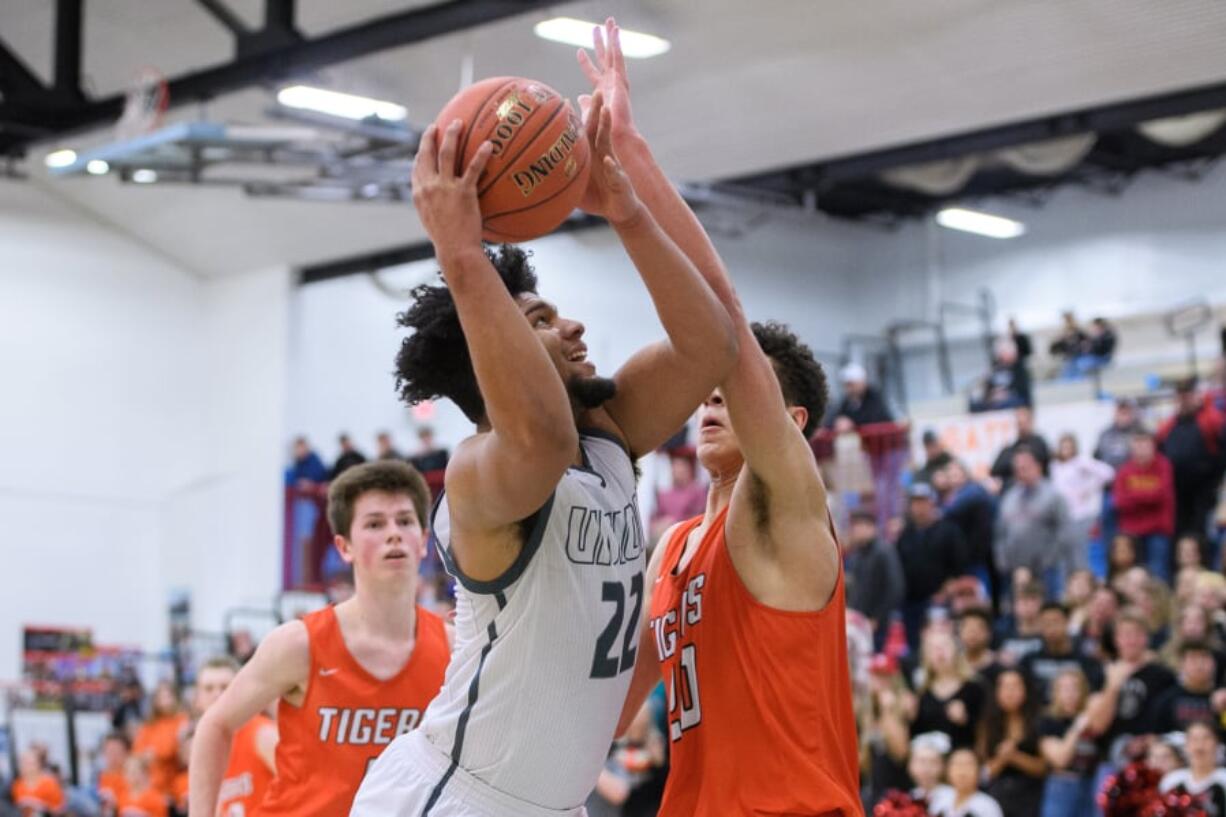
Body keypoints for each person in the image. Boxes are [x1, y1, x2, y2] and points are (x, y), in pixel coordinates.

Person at [352, 57, 740, 815]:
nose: (574, 325)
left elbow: (711, 347)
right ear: (494, 354)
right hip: (452, 799)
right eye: (541, 321)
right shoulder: (477, 477)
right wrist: (462, 258)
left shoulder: (606, 439)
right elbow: (536, 435)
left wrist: (625, 207)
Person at [578, 20, 858, 817]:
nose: (710, 397)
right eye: (708, 392)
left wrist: (630, 164)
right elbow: (602, 714)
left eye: (733, 391)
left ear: (790, 419)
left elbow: (724, 323)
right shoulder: (671, 547)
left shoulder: (783, 508)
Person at [191, 461, 450, 817]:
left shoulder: (453, 648)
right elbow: (215, 724)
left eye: (405, 521)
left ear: (423, 541)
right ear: (344, 547)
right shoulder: (299, 644)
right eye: (375, 523)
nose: (394, 533)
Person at [192, 656, 276, 817]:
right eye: (209, 688)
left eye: (225, 686)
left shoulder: (262, 733)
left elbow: (305, 788)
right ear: (197, 699)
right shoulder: (204, 748)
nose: (217, 694)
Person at [897, 482, 972, 651]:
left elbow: (960, 565)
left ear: (932, 503)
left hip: (939, 600)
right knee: (914, 644)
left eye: (923, 502)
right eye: (915, 502)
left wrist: (948, 589)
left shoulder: (949, 530)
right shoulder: (905, 534)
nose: (919, 507)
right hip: (910, 601)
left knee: (939, 642)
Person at [995, 448, 1077, 599]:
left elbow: (1065, 531)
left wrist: (1048, 560)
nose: (1020, 473)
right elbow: (1000, 533)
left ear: (1038, 467)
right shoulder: (1009, 497)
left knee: (1047, 608)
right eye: (1017, 469)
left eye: (1025, 468)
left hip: (1046, 569)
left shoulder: (1053, 496)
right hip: (1015, 571)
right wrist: (1003, 562)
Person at [1158, 377, 1226, 541]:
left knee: (1203, 531)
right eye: (1181, 396)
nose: (1184, 400)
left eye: (1187, 395)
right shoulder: (1168, 426)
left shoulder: (1212, 420)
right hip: (1178, 491)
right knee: (1181, 532)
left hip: (1206, 490)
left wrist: (1217, 482)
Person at [979, 670, 1048, 817]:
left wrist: (1015, 756)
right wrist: (1003, 758)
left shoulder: (1038, 721)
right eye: (1005, 687)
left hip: (1032, 793)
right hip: (997, 793)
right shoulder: (987, 724)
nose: (1010, 692)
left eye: (1015, 686)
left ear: (1025, 690)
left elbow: (1044, 767)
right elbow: (985, 772)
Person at [1113, 430, 1176, 582]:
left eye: (1145, 444)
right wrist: (1147, 496)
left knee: (1158, 574)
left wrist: (1134, 496)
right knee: (1132, 575)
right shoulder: (1124, 470)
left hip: (1158, 531)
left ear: (1153, 446)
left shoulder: (1163, 465)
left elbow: (1161, 495)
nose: (1141, 449)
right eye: (1137, 445)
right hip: (1132, 532)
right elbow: (1120, 501)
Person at [1037, 670, 1101, 817]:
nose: (1070, 694)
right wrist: (1077, 728)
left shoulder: (1094, 719)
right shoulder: (1047, 721)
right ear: (1055, 693)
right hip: (1062, 785)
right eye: (1064, 688)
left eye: (1075, 688)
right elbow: (1060, 759)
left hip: (1092, 784)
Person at [908, 629, 985, 750]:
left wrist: (965, 719)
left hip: (963, 760)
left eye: (944, 646)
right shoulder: (921, 692)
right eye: (933, 648)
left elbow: (986, 729)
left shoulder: (975, 687)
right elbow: (915, 734)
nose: (940, 652)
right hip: (930, 760)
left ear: (956, 650)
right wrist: (910, 716)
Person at [845, 508, 906, 651]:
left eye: (860, 526)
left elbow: (895, 588)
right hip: (856, 623)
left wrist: (877, 618)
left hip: (878, 625)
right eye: (854, 526)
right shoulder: (855, 556)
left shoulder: (884, 551)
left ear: (872, 527)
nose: (856, 530)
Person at [1051, 433, 1114, 572]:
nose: (1066, 450)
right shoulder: (1055, 466)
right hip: (1062, 519)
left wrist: (1090, 488)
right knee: (1064, 561)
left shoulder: (1081, 462)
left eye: (1069, 447)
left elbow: (1108, 473)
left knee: (1082, 556)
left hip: (1080, 516)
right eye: (1063, 447)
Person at [1019, 603, 1104, 702]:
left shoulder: (1086, 661)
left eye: (1056, 621)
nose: (1051, 628)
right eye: (1045, 623)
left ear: (1067, 623)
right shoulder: (1028, 661)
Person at [1148, 641, 1223, 737]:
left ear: (1215, 663)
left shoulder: (1222, 698)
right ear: (1181, 665)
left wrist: (1222, 712)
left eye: (1204, 658)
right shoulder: (1167, 700)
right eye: (1193, 659)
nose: (1200, 665)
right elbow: (1156, 738)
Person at [1159, 721, 1226, 817]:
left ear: (1217, 743)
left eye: (1206, 738)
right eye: (1194, 739)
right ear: (1185, 745)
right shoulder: (1171, 780)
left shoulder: (1223, 779)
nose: (1199, 746)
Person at [133, 681, 187, 799]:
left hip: (173, 782)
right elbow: (137, 752)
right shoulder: (149, 725)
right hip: (149, 782)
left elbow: (174, 750)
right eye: (161, 697)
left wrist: (155, 753)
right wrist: (146, 756)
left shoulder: (182, 721)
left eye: (168, 696)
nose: (165, 701)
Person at [648, 449, 707, 544]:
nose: (678, 470)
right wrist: (659, 524)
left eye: (682, 466)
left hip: (689, 538)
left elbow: (700, 518)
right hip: (665, 539)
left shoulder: (698, 492)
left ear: (689, 469)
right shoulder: (664, 494)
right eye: (675, 466)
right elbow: (654, 519)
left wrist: (674, 523)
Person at [929, 749, 1006, 817]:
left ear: (978, 771)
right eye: (957, 764)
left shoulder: (988, 806)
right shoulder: (939, 802)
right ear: (947, 771)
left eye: (968, 764)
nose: (962, 771)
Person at [991, 407, 1051, 486]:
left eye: (1023, 423)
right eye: (1019, 423)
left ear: (1030, 422)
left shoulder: (1039, 443)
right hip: (1015, 490)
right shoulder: (1012, 447)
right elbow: (995, 469)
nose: (1021, 426)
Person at [828, 361, 893, 430]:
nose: (848, 389)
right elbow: (833, 418)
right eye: (846, 385)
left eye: (851, 385)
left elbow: (876, 419)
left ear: (861, 383)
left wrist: (852, 424)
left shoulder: (874, 398)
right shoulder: (846, 402)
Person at [974, 338, 1031, 413]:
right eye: (1001, 352)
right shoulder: (995, 367)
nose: (1002, 354)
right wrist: (992, 394)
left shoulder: (1019, 367)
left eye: (1005, 351)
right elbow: (987, 385)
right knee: (975, 404)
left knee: (1004, 404)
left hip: (1013, 398)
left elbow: (1022, 388)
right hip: (995, 398)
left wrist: (1005, 393)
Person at [11, 747, 65, 816]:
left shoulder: (49, 783)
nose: (25, 766)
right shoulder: (17, 785)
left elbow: (60, 810)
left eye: (29, 763)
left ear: (38, 764)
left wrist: (42, 807)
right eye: (23, 762)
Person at [97, 733, 130, 816]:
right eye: (109, 751)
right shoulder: (103, 775)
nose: (113, 756)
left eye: (117, 751)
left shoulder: (131, 777)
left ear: (127, 753)